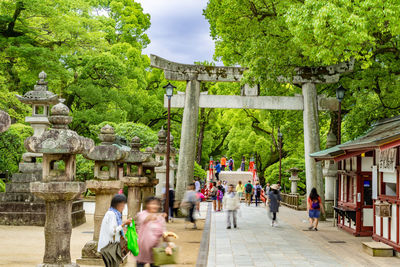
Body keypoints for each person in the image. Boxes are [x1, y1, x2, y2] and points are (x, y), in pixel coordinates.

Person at [136, 196, 176, 267]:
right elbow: (146, 219)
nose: (155, 206)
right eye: (152, 204)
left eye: (157, 204)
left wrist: (169, 243)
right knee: (140, 264)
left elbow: (164, 233)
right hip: (143, 248)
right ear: (147, 205)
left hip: (155, 249)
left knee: (155, 265)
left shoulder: (161, 219)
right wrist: (158, 215)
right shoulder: (142, 214)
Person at [98, 194, 132, 266]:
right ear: (118, 204)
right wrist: (124, 224)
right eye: (123, 205)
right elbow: (112, 231)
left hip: (110, 247)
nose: (124, 207)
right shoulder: (111, 214)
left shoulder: (114, 213)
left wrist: (124, 224)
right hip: (108, 248)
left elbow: (115, 227)